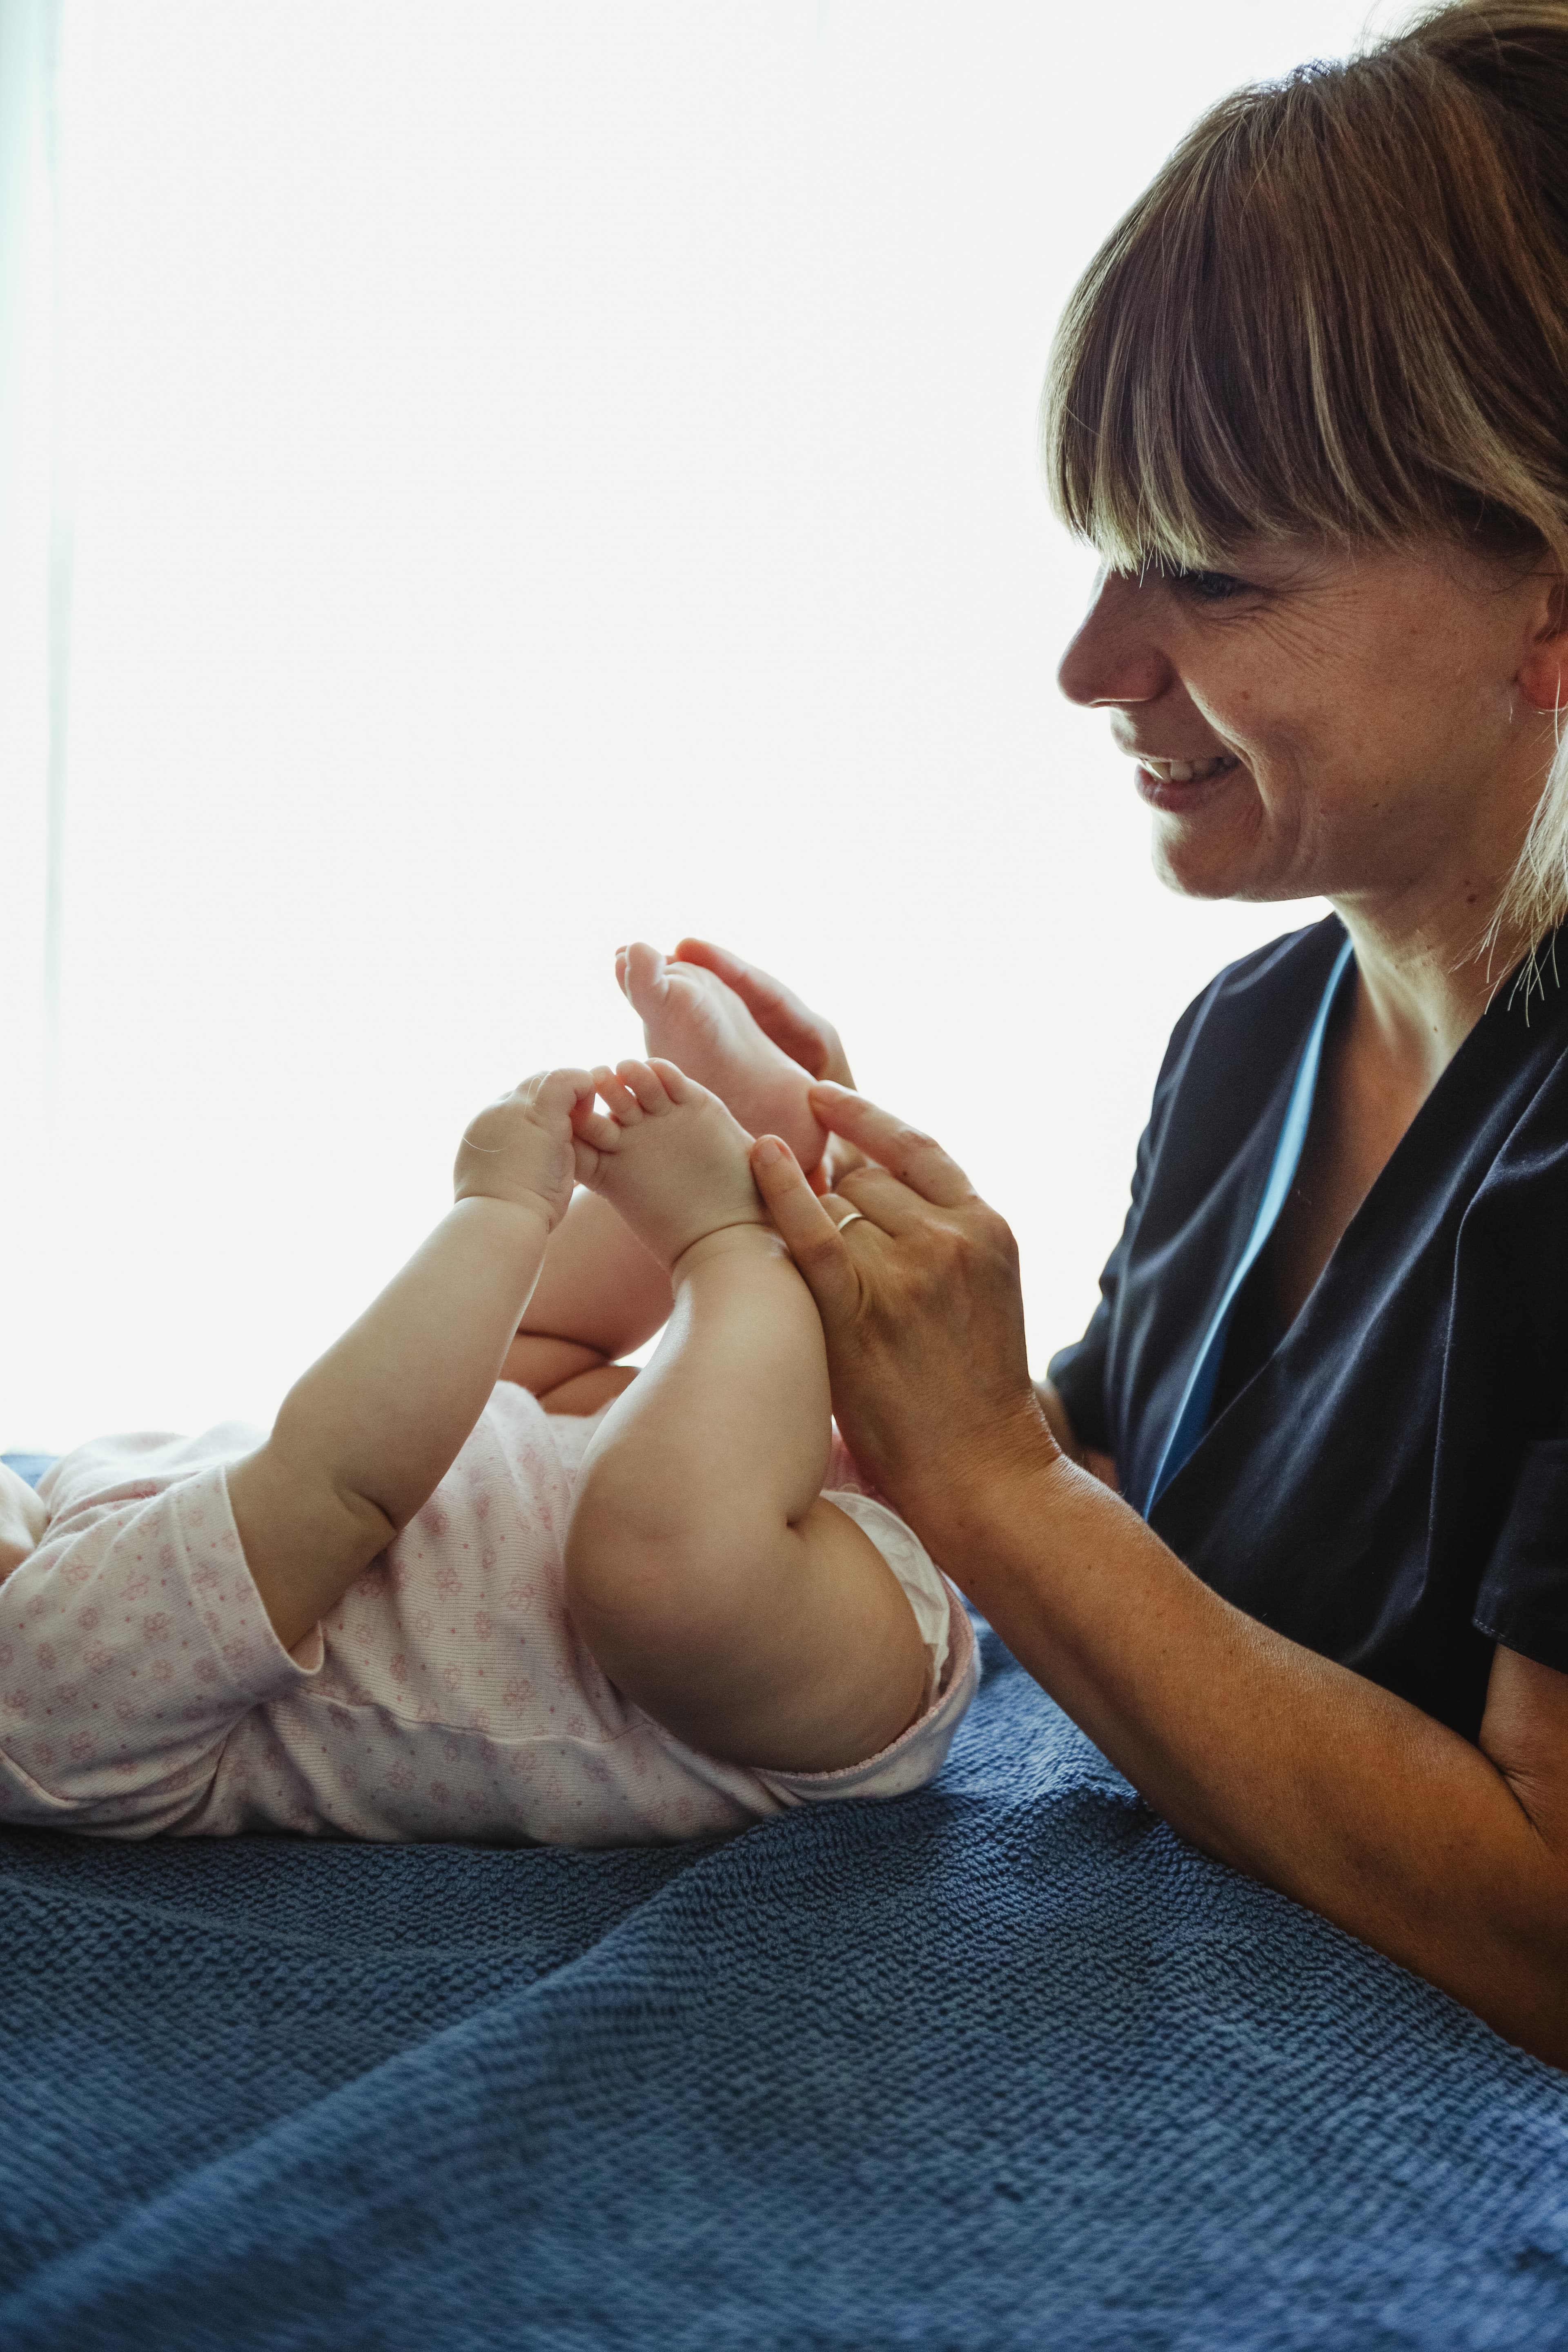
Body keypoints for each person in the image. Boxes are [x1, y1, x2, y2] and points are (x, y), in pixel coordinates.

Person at [644, 0, 1568, 2068]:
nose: (1088, 664)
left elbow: (1551, 1925)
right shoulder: (1251, 1038)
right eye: (1104, 553)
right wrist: (810, 1265)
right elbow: (1108, 1485)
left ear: (1546, 603)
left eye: (1213, 578)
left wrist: (994, 1480)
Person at [0, 963, 975, 1844]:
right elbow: (344, 1484)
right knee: (652, 1560)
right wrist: (497, 1210)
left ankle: (767, 1157)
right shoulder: (36, 1688)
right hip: (768, 1659)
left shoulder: (76, 1490)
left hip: (701, 1471)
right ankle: (731, 1238)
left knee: (521, 1361)